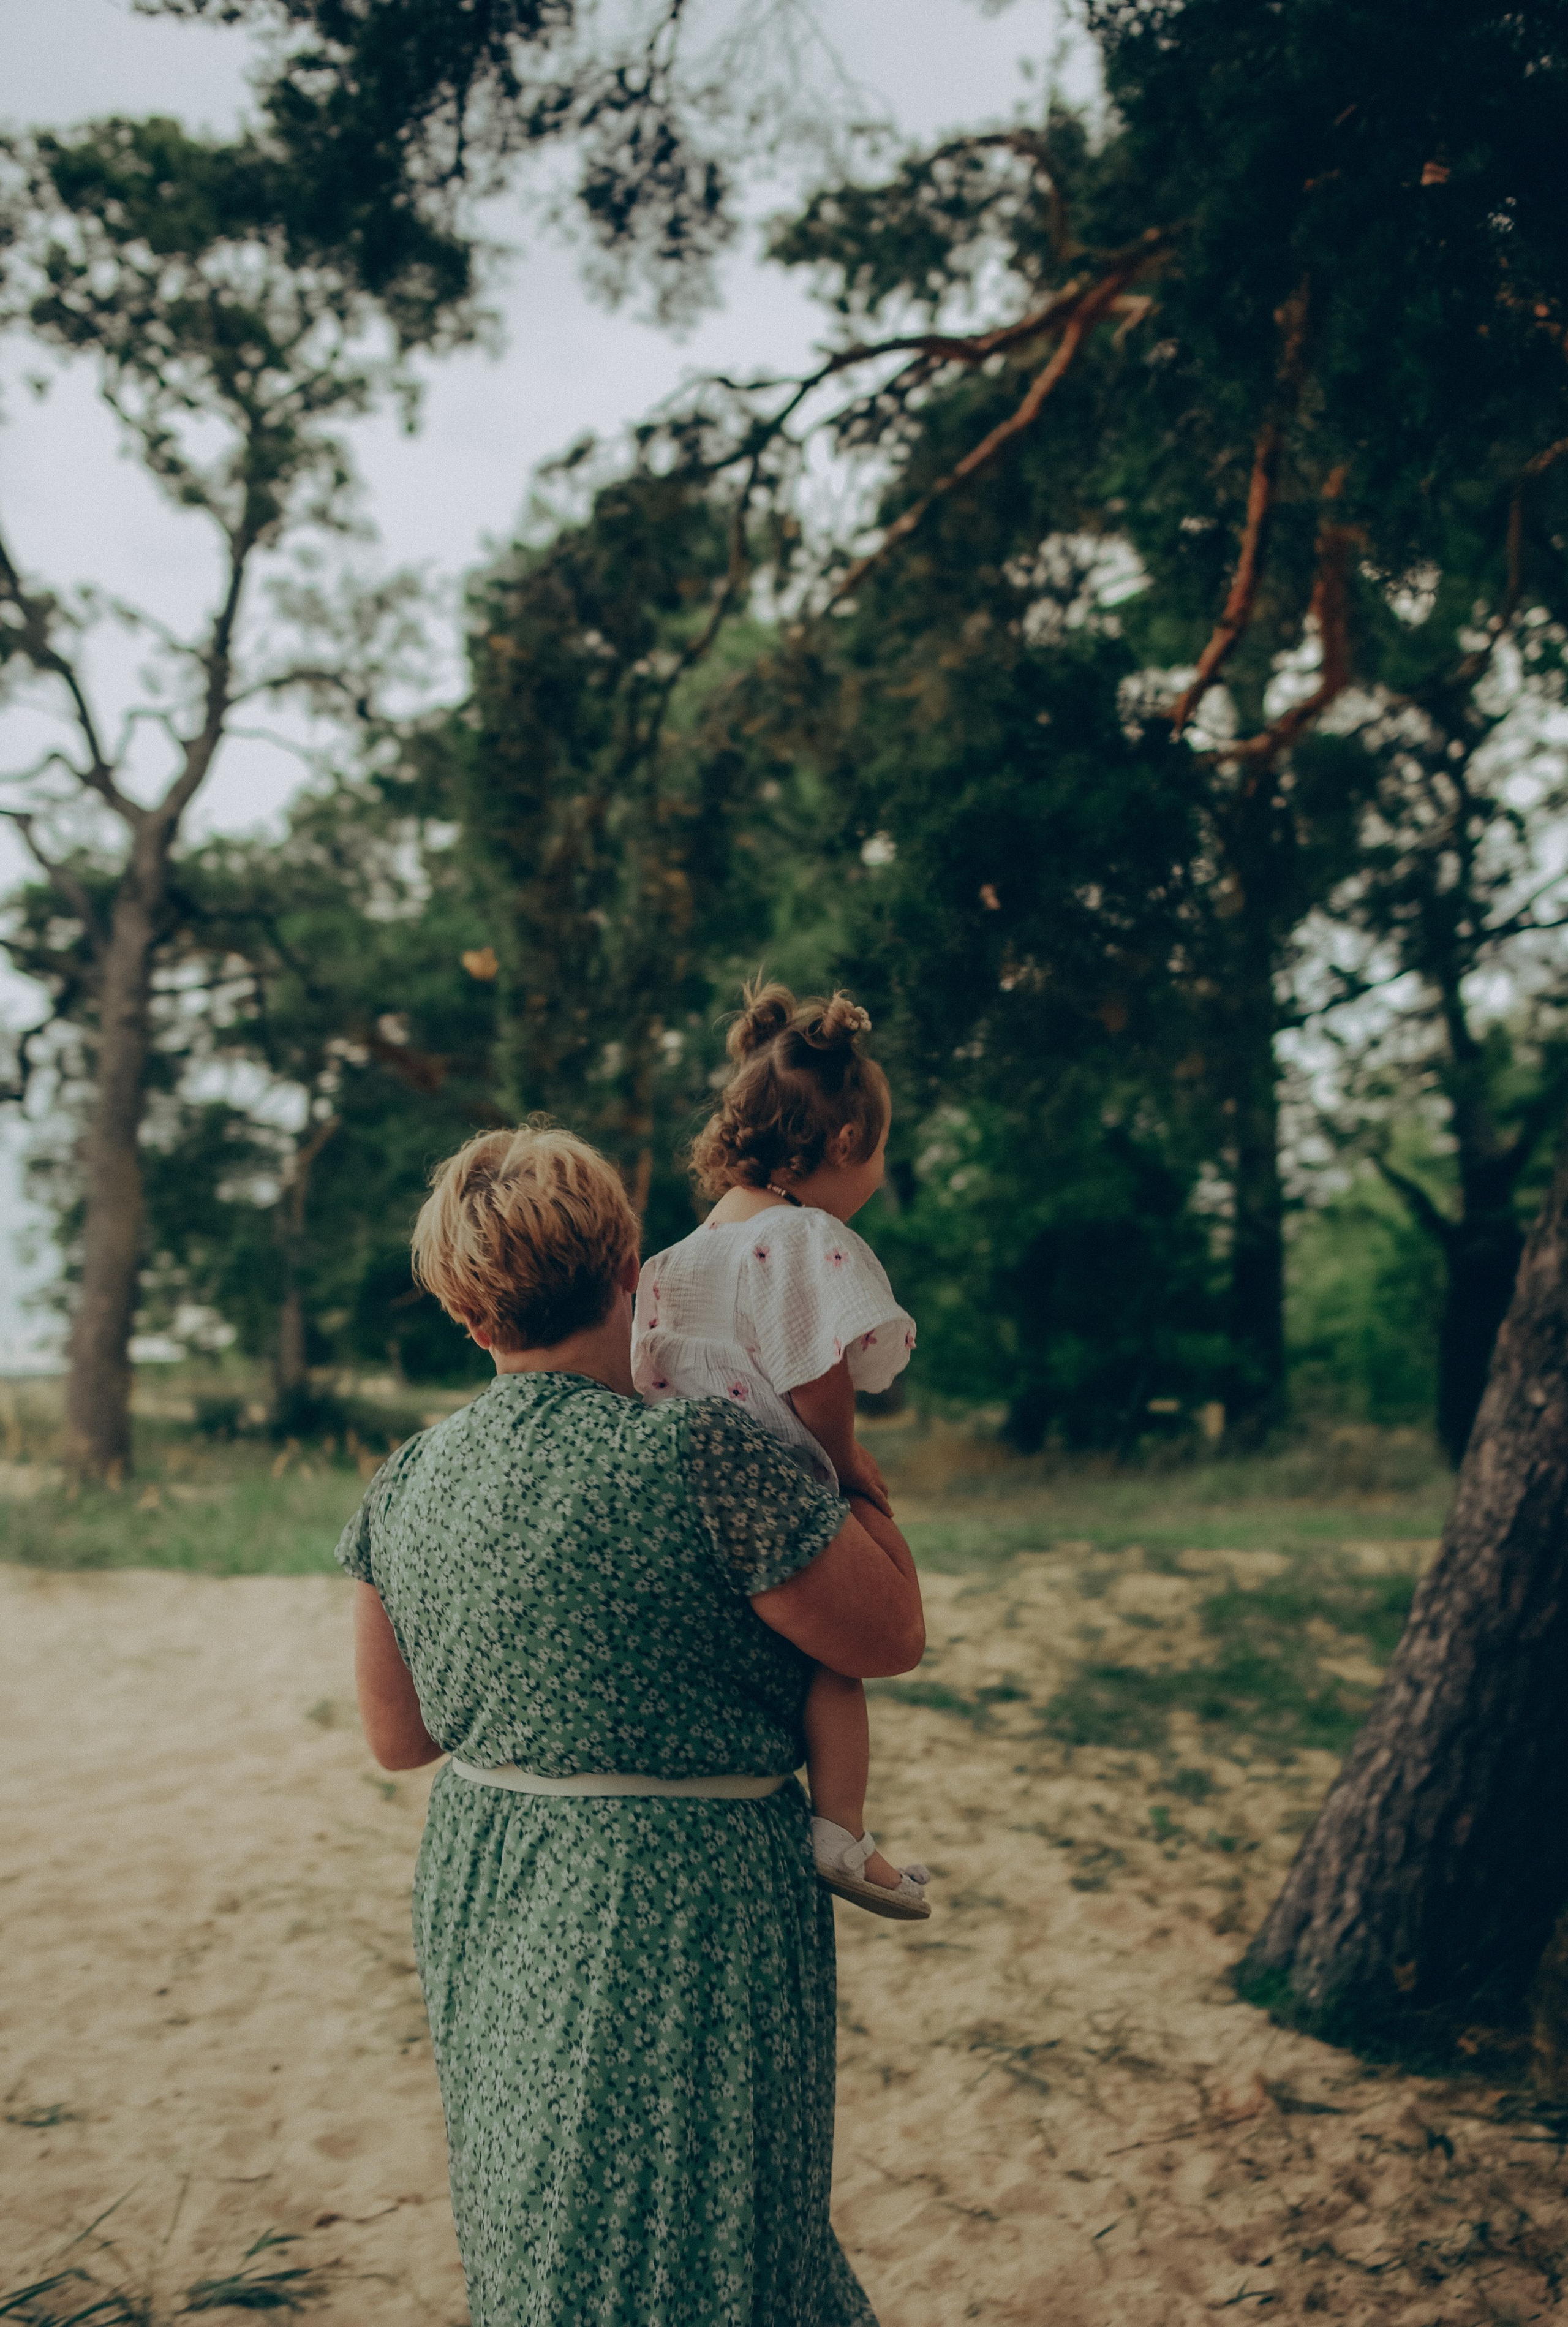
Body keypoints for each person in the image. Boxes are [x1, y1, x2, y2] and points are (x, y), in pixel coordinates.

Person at [340, 1120, 924, 2327]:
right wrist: (842, 1453)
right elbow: (888, 1637)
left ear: (465, 1312)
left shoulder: (406, 1480)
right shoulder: (707, 1455)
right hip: (692, 1896)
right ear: (629, 1275)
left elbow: (399, 1742)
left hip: (491, 1882)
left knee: (535, 2211)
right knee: (721, 2231)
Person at [632, 983, 929, 1919]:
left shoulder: (670, 1261)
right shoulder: (805, 1238)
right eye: (881, 1150)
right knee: (834, 1661)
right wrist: (845, 1463)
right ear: (846, 1145)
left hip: (681, 1505)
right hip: (779, 1505)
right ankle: (841, 1832)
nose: (879, 1168)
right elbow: (815, 1374)